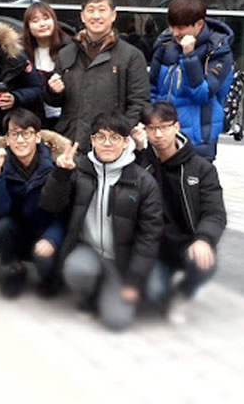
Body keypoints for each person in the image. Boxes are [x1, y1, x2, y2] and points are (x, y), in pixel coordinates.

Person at [38, 111, 163, 331]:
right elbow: (50, 205)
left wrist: (134, 279)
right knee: (77, 270)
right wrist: (61, 175)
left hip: (123, 259)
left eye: (114, 138)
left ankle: (112, 289)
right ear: (92, 140)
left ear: (126, 142)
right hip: (89, 250)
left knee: (118, 321)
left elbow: (150, 235)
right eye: (100, 137)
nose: (107, 143)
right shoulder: (79, 169)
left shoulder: (143, 181)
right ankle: (87, 298)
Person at [133, 102, 226, 321]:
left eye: (164, 127)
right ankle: (161, 291)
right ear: (144, 130)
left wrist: (204, 239)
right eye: (151, 128)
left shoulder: (201, 168)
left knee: (205, 262)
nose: (158, 134)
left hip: (187, 243)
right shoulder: (141, 164)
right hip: (154, 247)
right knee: (156, 293)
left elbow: (215, 212)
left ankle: (183, 294)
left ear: (176, 127)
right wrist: (138, 151)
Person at [44, 0, 149, 152]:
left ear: (113, 15)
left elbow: (139, 102)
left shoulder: (131, 55)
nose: (96, 16)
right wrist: (53, 91)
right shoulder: (66, 54)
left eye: (102, 10)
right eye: (91, 10)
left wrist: (119, 134)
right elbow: (54, 102)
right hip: (70, 141)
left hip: (110, 144)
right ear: (82, 16)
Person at [0, 108, 66, 299]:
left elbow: (64, 213)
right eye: (14, 134)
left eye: (27, 133)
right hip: (18, 230)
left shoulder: (55, 165)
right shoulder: (1, 163)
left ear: (37, 137)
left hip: (46, 229)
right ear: (7, 139)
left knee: (45, 260)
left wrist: (51, 239)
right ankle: (14, 269)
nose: (20, 140)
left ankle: (49, 278)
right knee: (0, 225)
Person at [149, 0, 236, 161]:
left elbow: (202, 94)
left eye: (181, 28)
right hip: (161, 136)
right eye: (172, 27)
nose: (175, 33)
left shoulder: (218, 51)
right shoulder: (165, 45)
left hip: (198, 140)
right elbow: (151, 87)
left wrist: (189, 56)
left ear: (199, 24)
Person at [21, 2, 70, 129]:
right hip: (34, 122)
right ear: (28, 27)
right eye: (35, 20)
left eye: (46, 18)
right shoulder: (22, 55)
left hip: (67, 121)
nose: (42, 24)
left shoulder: (70, 50)